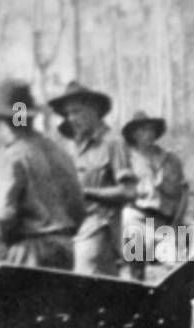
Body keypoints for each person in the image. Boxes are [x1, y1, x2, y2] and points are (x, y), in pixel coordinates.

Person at [0, 79, 85, 270]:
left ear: (3, 122)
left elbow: (4, 214)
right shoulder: (60, 153)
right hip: (65, 249)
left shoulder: (11, 156)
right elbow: (78, 205)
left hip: (30, 251)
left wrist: (7, 238)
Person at [48, 81, 136, 275]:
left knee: (85, 285)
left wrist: (87, 192)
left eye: (76, 111)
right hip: (75, 229)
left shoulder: (112, 142)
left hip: (101, 229)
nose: (71, 118)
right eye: (67, 114)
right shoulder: (76, 148)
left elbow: (128, 191)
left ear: (94, 110)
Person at [120, 110, 186, 280]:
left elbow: (183, 193)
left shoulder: (171, 159)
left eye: (150, 129)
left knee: (176, 269)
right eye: (141, 130)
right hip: (137, 217)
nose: (147, 134)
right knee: (136, 270)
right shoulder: (127, 159)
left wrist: (177, 223)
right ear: (133, 135)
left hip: (164, 221)